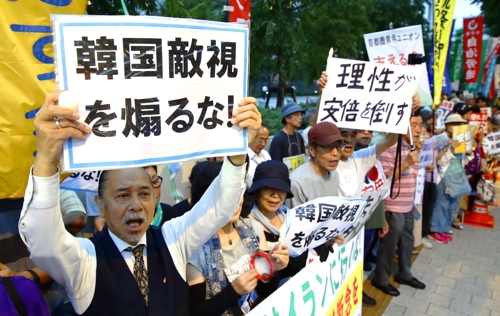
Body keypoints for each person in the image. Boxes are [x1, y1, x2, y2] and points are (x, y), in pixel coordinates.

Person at [18, 91, 261, 315]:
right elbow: (43, 241)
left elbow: (219, 206)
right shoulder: (85, 259)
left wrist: (237, 151)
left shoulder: (172, 239)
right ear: (100, 204)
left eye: (145, 193)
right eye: (122, 195)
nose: (135, 205)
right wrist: (47, 160)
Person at [186, 197, 289, 316]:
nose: (236, 201)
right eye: (228, 195)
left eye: (239, 192)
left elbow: (265, 290)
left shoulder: (252, 228)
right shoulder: (196, 250)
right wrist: (232, 292)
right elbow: (196, 312)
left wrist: (272, 270)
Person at [245, 160, 338, 279]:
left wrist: (323, 241)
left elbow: (307, 250)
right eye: (268, 188)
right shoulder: (247, 228)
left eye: (281, 188)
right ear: (257, 190)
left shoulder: (292, 217)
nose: (275, 195)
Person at [371, 109, 426, 297]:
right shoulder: (389, 149)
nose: (418, 129)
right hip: (392, 206)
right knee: (389, 246)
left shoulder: (414, 147)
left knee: (407, 242)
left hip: (408, 205)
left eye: (420, 125)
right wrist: (406, 163)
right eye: (414, 125)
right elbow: (383, 178)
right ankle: (381, 279)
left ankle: (405, 273)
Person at [428, 114, 470, 244]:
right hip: (444, 177)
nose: (457, 126)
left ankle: (443, 230)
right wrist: (450, 148)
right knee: (441, 204)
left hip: (457, 176)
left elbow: (464, 160)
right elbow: (439, 160)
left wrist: (469, 152)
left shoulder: (461, 139)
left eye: (459, 124)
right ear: (447, 125)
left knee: (451, 205)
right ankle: (434, 230)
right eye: (454, 124)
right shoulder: (441, 139)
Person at [289, 121, 344, 207]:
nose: (335, 153)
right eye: (328, 147)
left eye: (339, 146)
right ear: (312, 150)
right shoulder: (296, 182)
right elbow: (292, 218)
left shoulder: (334, 175)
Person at [268, 102, 306, 166]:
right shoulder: (278, 139)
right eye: (297, 115)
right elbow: (275, 163)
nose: (300, 117)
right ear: (287, 119)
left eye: (301, 115)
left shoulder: (299, 136)